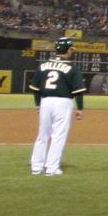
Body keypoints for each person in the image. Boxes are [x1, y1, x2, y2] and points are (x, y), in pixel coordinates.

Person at [29, 37, 86, 176]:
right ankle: (51, 168)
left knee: (43, 134)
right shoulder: (71, 67)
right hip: (63, 102)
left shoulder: (43, 65)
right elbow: (78, 91)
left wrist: (37, 104)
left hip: (45, 102)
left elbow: (35, 89)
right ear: (68, 49)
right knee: (58, 135)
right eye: (71, 49)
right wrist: (80, 108)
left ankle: (36, 167)